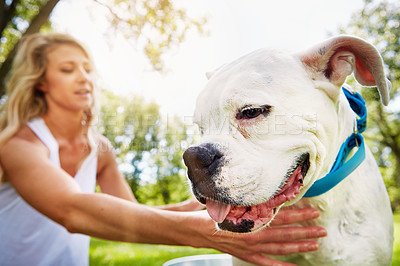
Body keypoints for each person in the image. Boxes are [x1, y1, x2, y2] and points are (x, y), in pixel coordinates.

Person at [0, 32, 326, 266]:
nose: (84, 78)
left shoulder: (99, 149)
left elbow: (127, 219)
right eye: (67, 69)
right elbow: (73, 211)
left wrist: (191, 209)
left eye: (87, 68)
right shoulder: (18, 143)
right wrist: (204, 232)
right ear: (40, 82)